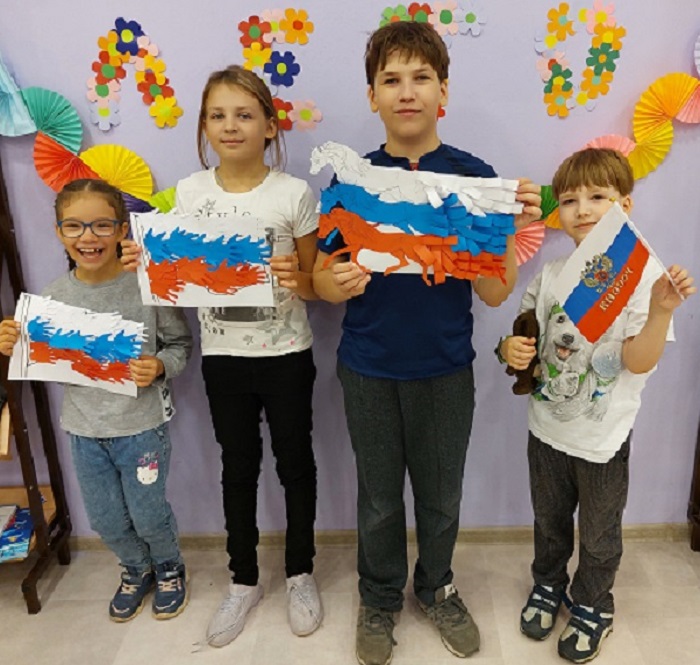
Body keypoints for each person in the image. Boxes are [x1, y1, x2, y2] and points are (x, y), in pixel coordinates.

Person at [312, 21, 541, 665]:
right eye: (391, 79)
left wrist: (504, 230)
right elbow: (322, 281)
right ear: (372, 96)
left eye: (421, 78)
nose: (406, 91)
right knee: (379, 498)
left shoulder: (474, 178)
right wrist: (336, 282)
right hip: (368, 368)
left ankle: (437, 586)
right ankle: (379, 596)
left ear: (444, 91)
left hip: (444, 370)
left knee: (441, 498)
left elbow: (493, 294)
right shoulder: (352, 181)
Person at [121, 65, 322, 646]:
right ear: (204, 127)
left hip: (287, 352)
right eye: (217, 115)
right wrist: (146, 263)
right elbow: (178, 276)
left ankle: (300, 573)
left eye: (244, 114)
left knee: (295, 464)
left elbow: (315, 285)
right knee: (238, 466)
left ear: (269, 126)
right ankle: (243, 579)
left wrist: (295, 275)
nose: (230, 126)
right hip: (223, 357)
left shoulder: (293, 194)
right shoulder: (190, 193)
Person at [497, 147, 696, 663]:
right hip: (545, 428)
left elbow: (638, 361)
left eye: (598, 197)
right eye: (569, 200)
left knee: (600, 531)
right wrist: (509, 348)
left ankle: (592, 603)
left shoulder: (642, 278)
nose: (582, 209)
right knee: (549, 521)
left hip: (602, 439)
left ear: (624, 204)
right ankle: (548, 583)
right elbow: (524, 332)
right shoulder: (551, 273)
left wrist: (660, 312)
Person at [0, 178, 193, 622]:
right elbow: (36, 359)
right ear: (58, 233)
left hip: (142, 429)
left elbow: (180, 346)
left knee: (148, 512)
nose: (88, 237)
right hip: (84, 431)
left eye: (102, 225)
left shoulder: (147, 286)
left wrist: (159, 366)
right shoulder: (50, 299)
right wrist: (12, 342)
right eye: (74, 226)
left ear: (123, 230)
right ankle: (135, 569)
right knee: (105, 518)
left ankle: (168, 568)